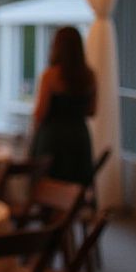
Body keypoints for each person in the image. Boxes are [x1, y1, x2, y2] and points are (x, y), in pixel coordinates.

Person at [31, 25, 97, 185]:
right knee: (75, 188)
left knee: (48, 187)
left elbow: (40, 113)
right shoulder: (89, 76)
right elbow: (92, 111)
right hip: (79, 138)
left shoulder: (50, 75)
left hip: (53, 139)